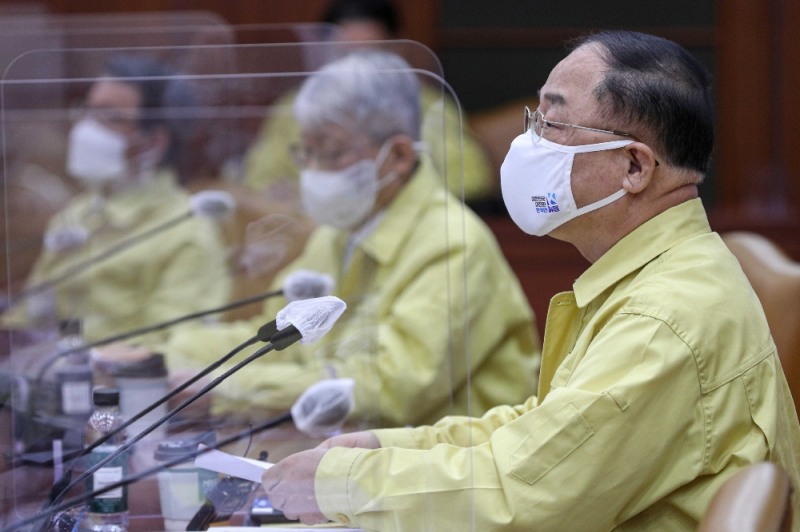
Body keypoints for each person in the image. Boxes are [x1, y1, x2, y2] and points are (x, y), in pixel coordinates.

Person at [259, 30, 800, 530]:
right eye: (532, 119)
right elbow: (540, 436)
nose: (527, 144)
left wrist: (341, 485)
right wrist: (381, 447)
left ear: (634, 167)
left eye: (552, 124)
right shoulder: (652, 275)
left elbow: (521, 495)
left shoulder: (662, 321)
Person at [162, 49, 540, 429]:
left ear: (397, 155)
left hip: (440, 468)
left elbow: (390, 386)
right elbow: (277, 339)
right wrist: (162, 359)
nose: (310, 171)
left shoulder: (453, 244)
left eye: (330, 152)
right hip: (351, 450)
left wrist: (228, 391)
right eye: (304, 152)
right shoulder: (335, 235)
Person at [1, 55, 231, 343]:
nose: (86, 129)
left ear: (154, 142)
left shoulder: (186, 232)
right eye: (87, 111)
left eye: (108, 117)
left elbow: (169, 347)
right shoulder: (79, 212)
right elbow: (28, 318)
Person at [242, 0, 496, 204]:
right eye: (345, 55)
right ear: (325, 53)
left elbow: (471, 182)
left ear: (396, 51)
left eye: (370, 55)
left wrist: (397, 196)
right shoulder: (297, 107)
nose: (356, 69)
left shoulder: (426, 105)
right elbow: (257, 184)